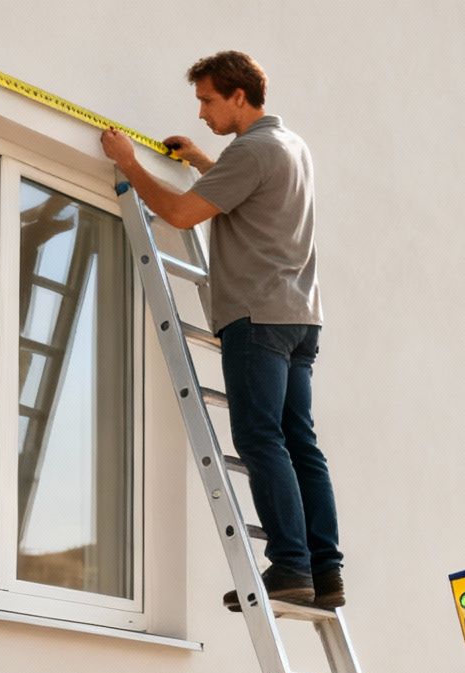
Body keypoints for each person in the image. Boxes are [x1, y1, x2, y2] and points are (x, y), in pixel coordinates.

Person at [99, 50, 344, 611]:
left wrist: (130, 164)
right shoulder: (289, 145)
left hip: (257, 316)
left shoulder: (252, 150)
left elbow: (181, 215)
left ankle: (290, 565)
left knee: (260, 439)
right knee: (300, 442)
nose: (202, 112)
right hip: (300, 317)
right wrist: (203, 161)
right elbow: (247, 192)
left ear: (239, 96)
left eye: (208, 100)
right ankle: (326, 570)